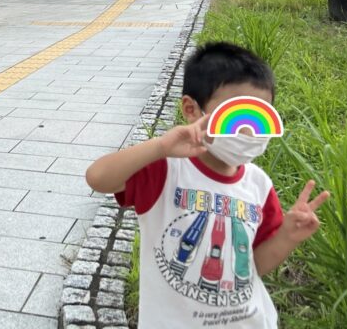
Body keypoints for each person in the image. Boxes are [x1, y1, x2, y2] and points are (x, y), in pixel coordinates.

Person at [85, 42, 329, 328]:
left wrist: (288, 235)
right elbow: (98, 177)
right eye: (236, 118)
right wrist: (161, 147)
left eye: (259, 119)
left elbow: (254, 266)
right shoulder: (166, 171)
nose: (248, 133)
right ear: (192, 110)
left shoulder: (259, 185)